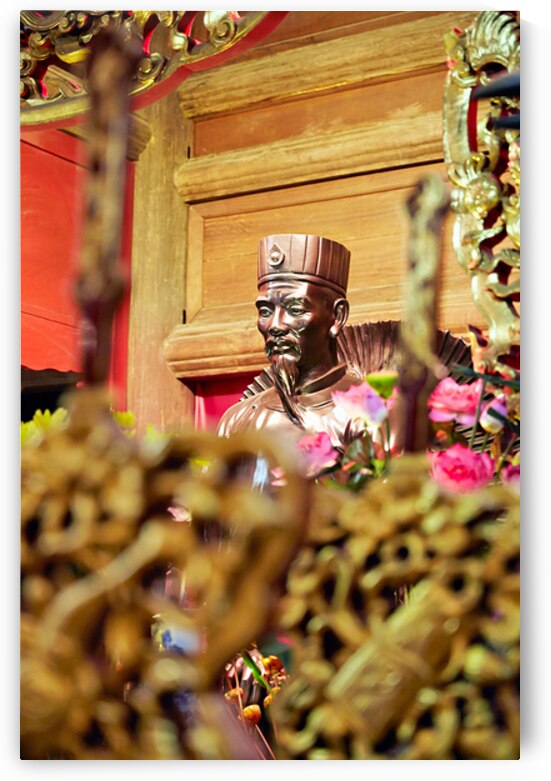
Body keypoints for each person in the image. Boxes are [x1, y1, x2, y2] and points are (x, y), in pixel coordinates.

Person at [217, 234, 366, 449]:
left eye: (295, 309)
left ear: (337, 316)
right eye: (266, 311)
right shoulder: (236, 421)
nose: (275, 325)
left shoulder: (373, 414)